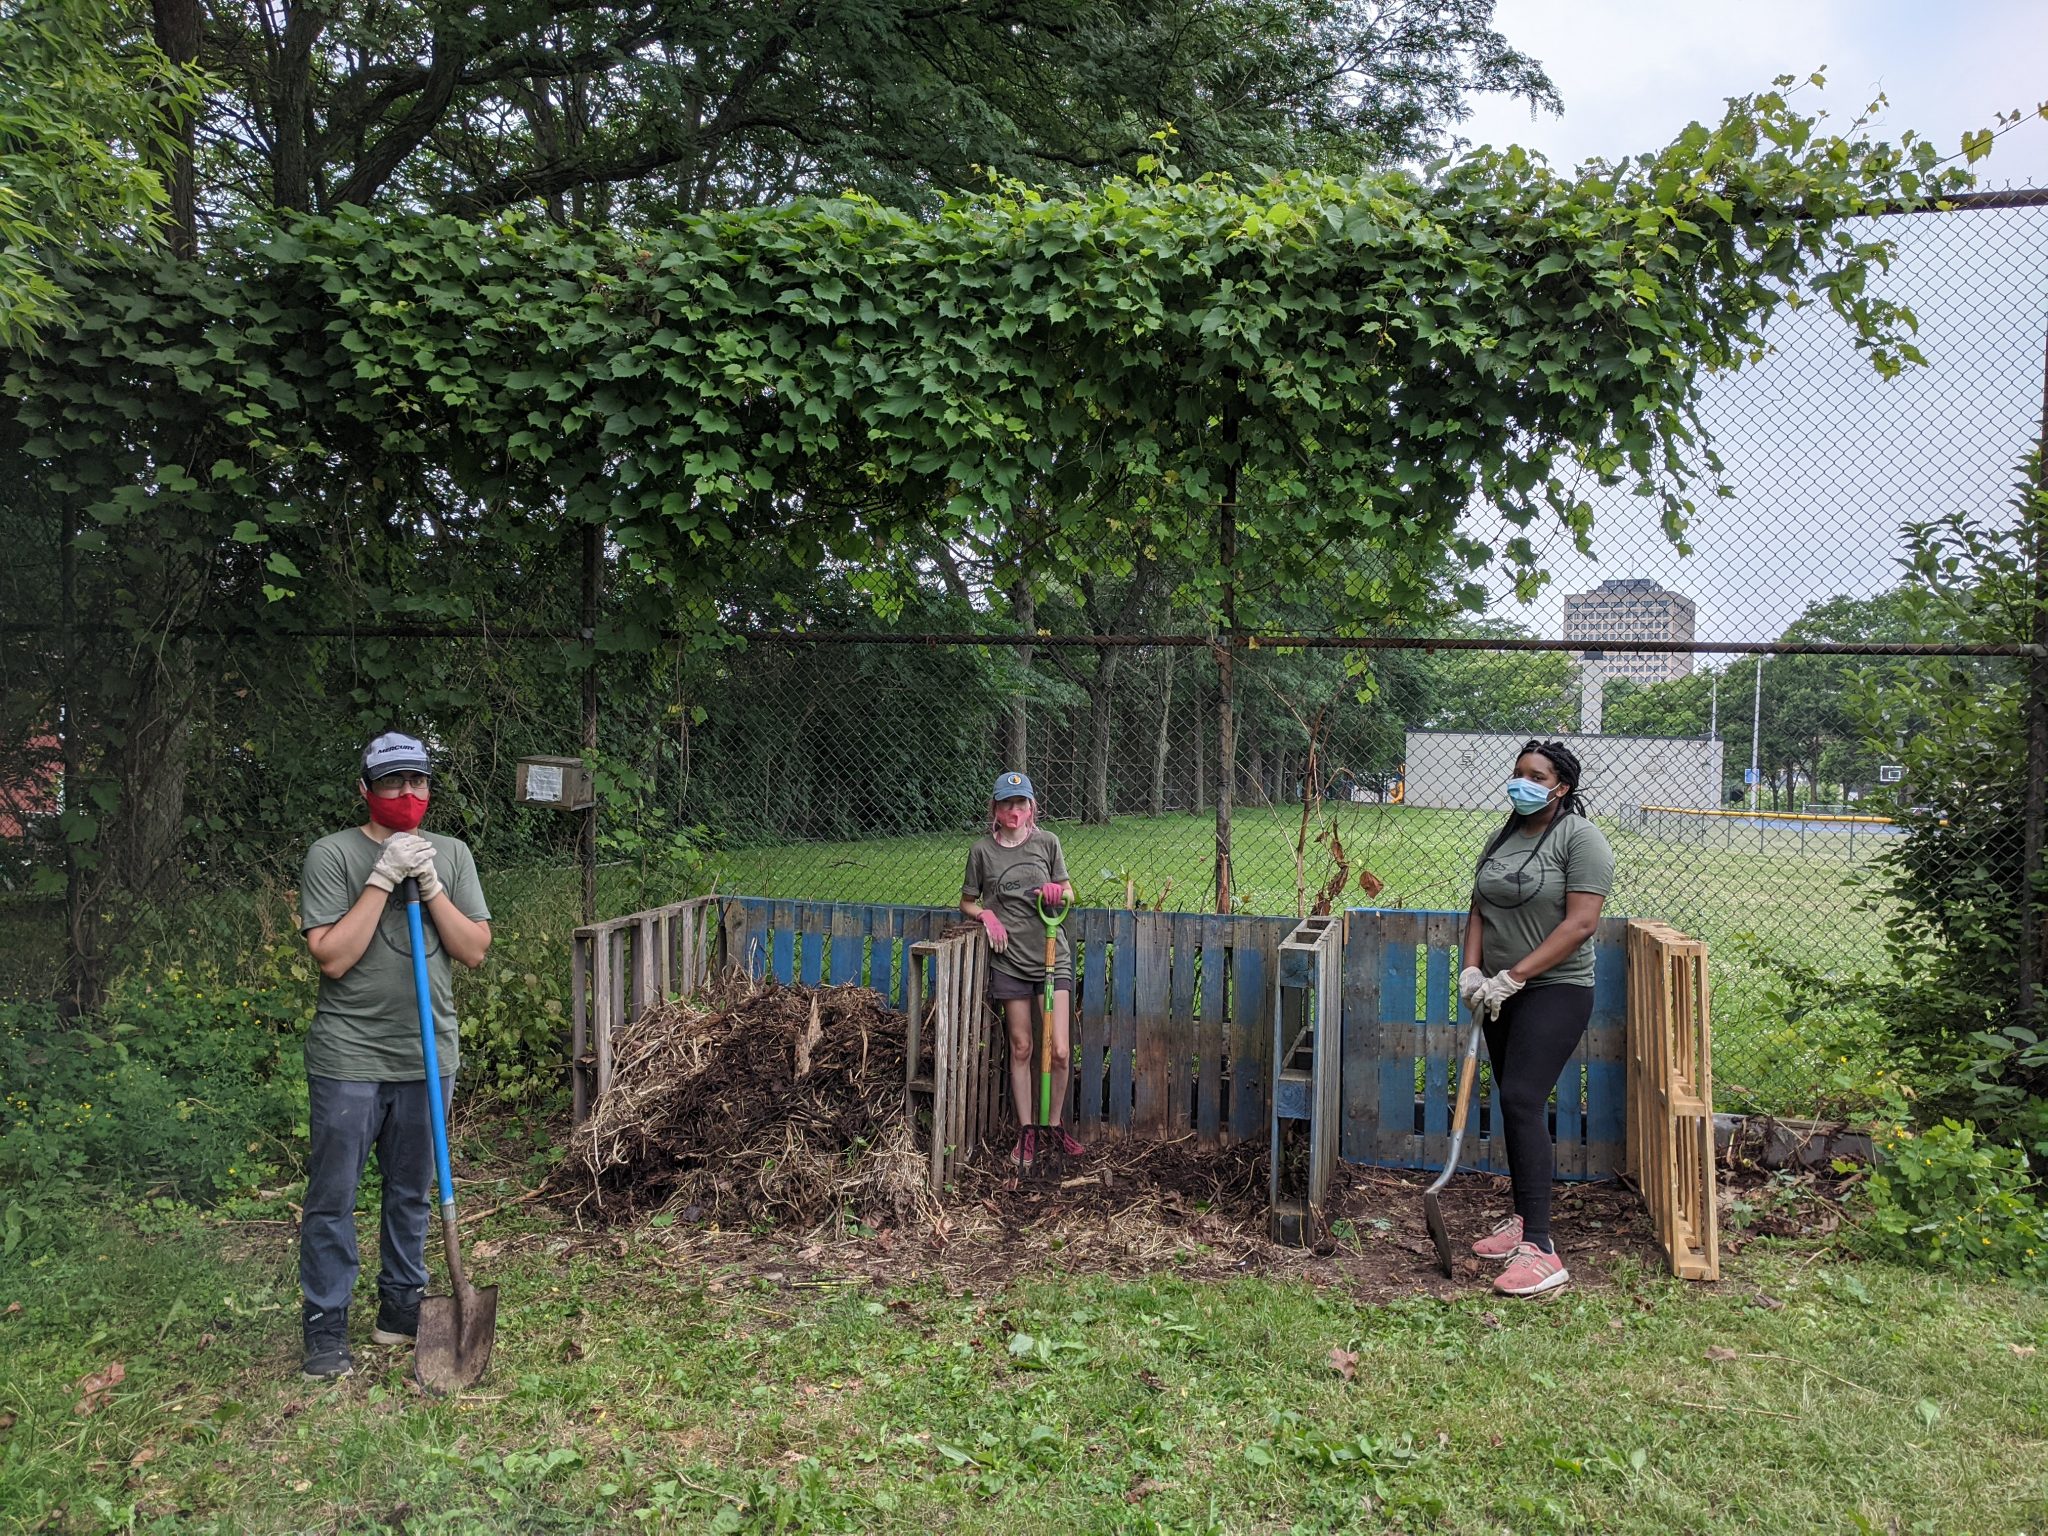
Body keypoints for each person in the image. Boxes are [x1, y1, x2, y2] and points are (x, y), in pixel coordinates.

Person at [295, 731, 493, 1379]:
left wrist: (431, 885)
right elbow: (332, 956)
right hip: (349, 1054)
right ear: (365, 789)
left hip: (428, 1054)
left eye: (418, 782)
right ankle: (325, 1326)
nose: (408, 795)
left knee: (410, 1192)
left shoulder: (455, 856)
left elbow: (473, 950)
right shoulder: (332, 855)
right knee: (334, 1193)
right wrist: (383, 878)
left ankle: (401, 1308)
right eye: (392, 783)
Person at [1457, 739, 1614, 1299]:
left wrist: (1515, 975)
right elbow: (1479, 907)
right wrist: (1473, 971)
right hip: (1499, 991)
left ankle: (1543, 1249)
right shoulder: (1503, 835)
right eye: (1518, 773)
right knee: (1513, 1102)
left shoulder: (1581, 839)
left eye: (1536, 776)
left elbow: (1580, 925)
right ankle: (1523, 1220)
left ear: (1561, 787)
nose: (1522, 783)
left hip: (1554, 988)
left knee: (1523, 1098)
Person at [960, 771, 1085, 1170]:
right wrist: (987, 917)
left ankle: (1053, 1126)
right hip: (1010, 961)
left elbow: (1068, 892)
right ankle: (1027, 1131)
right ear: (994, 809)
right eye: (1006, 804)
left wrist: (1056, 892)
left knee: (1061, 1050)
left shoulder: (1048, 843)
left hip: (1052, 957)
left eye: (1021, 803)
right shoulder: (982, 851)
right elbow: (967, 902)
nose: (1014, 811)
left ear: (1032, 807)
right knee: (1022, 1047)